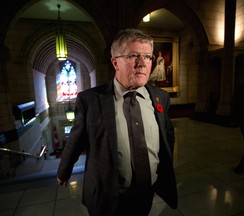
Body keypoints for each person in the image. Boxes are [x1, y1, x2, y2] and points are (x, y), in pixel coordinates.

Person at [57, 28, 178, 215]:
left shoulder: (160, 97)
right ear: (115, 63)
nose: (142, 64)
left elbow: (167, 134)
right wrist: (64, 170)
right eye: (133, 56)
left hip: (147, 191)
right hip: (108, 194)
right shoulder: (91, 100)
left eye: (147, 57)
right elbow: (77, 139)